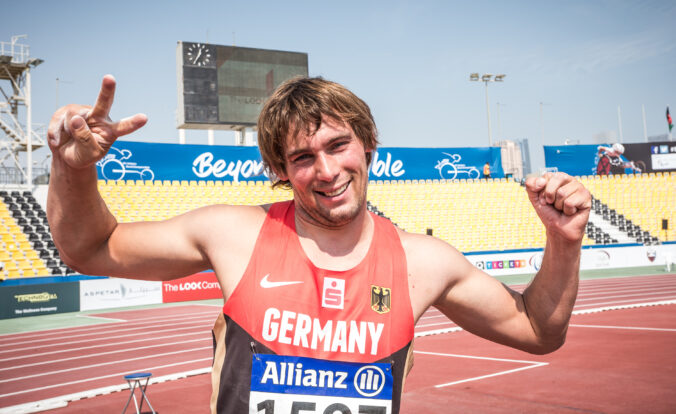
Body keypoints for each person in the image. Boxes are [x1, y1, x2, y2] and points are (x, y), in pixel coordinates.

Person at [47, 75, 591, 414]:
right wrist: (72, 170)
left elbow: (540, 332)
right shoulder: (233, 234)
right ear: (281, 171)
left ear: (369, 145)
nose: (327, 171)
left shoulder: (423, 261)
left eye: (338, 145)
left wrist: (563, 242)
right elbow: (90, 247)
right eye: (303, 157)